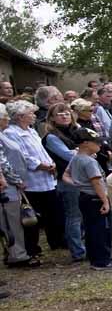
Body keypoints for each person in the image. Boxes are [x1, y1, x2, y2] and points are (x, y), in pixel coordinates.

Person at [2, 100, 64, 255]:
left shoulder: (31, 130)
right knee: (31, 217)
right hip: (31, 181)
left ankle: (57, 241)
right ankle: (32, 248)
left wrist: (51, 163)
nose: (34, 115)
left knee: (53, 212)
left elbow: (40, 150)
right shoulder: (11, 133)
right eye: (30, 113)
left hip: (47, 178)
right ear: (20, 116)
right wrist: (42, 165)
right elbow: (23, 156)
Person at [66, 128, 112, 269]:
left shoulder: (76, 157)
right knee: (101, 230)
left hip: (84, 197)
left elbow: (65, 175)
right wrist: (104, 200)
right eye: (96, 142)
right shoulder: (88, 161)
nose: (100, 145)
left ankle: (95, 259)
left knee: (91, 230)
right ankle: (103, 260)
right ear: (85, 143)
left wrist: (78, 184)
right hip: (95, 198)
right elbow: (96, 182)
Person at [42, 102, 88, 263]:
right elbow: (68, 155)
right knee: (73, 216)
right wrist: (83, 151)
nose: (64, 116)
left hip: (85, 177)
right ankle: (77, 251)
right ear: (52, 119)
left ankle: (85, 245)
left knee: (84, 215)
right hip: (67, 180)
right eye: (59, 114)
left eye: (66, 113)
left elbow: (95, 146)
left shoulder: (77, 131)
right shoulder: (52, 137)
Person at [0, 108, 36, 268]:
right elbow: (3, 163)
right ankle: (17, 255)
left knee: (14, 221)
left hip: (11, 185)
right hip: (7, 186)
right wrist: (17, 180)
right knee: (12, 221)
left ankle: (15, 252)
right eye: (5, 116)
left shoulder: (3, 134)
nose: (8, 119)